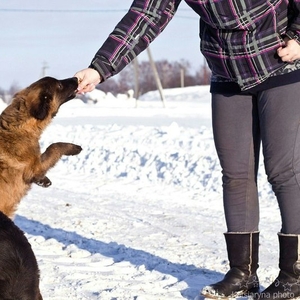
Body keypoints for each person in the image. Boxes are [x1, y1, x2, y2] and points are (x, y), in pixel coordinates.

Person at [74, 1, 300, 299]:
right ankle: (242, 272)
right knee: (235, 173)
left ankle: (294, 273)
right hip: (228, 69)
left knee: (283, 170)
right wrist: (100, 68)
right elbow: (146, 15)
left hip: (280, 61)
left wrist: (298, 36)